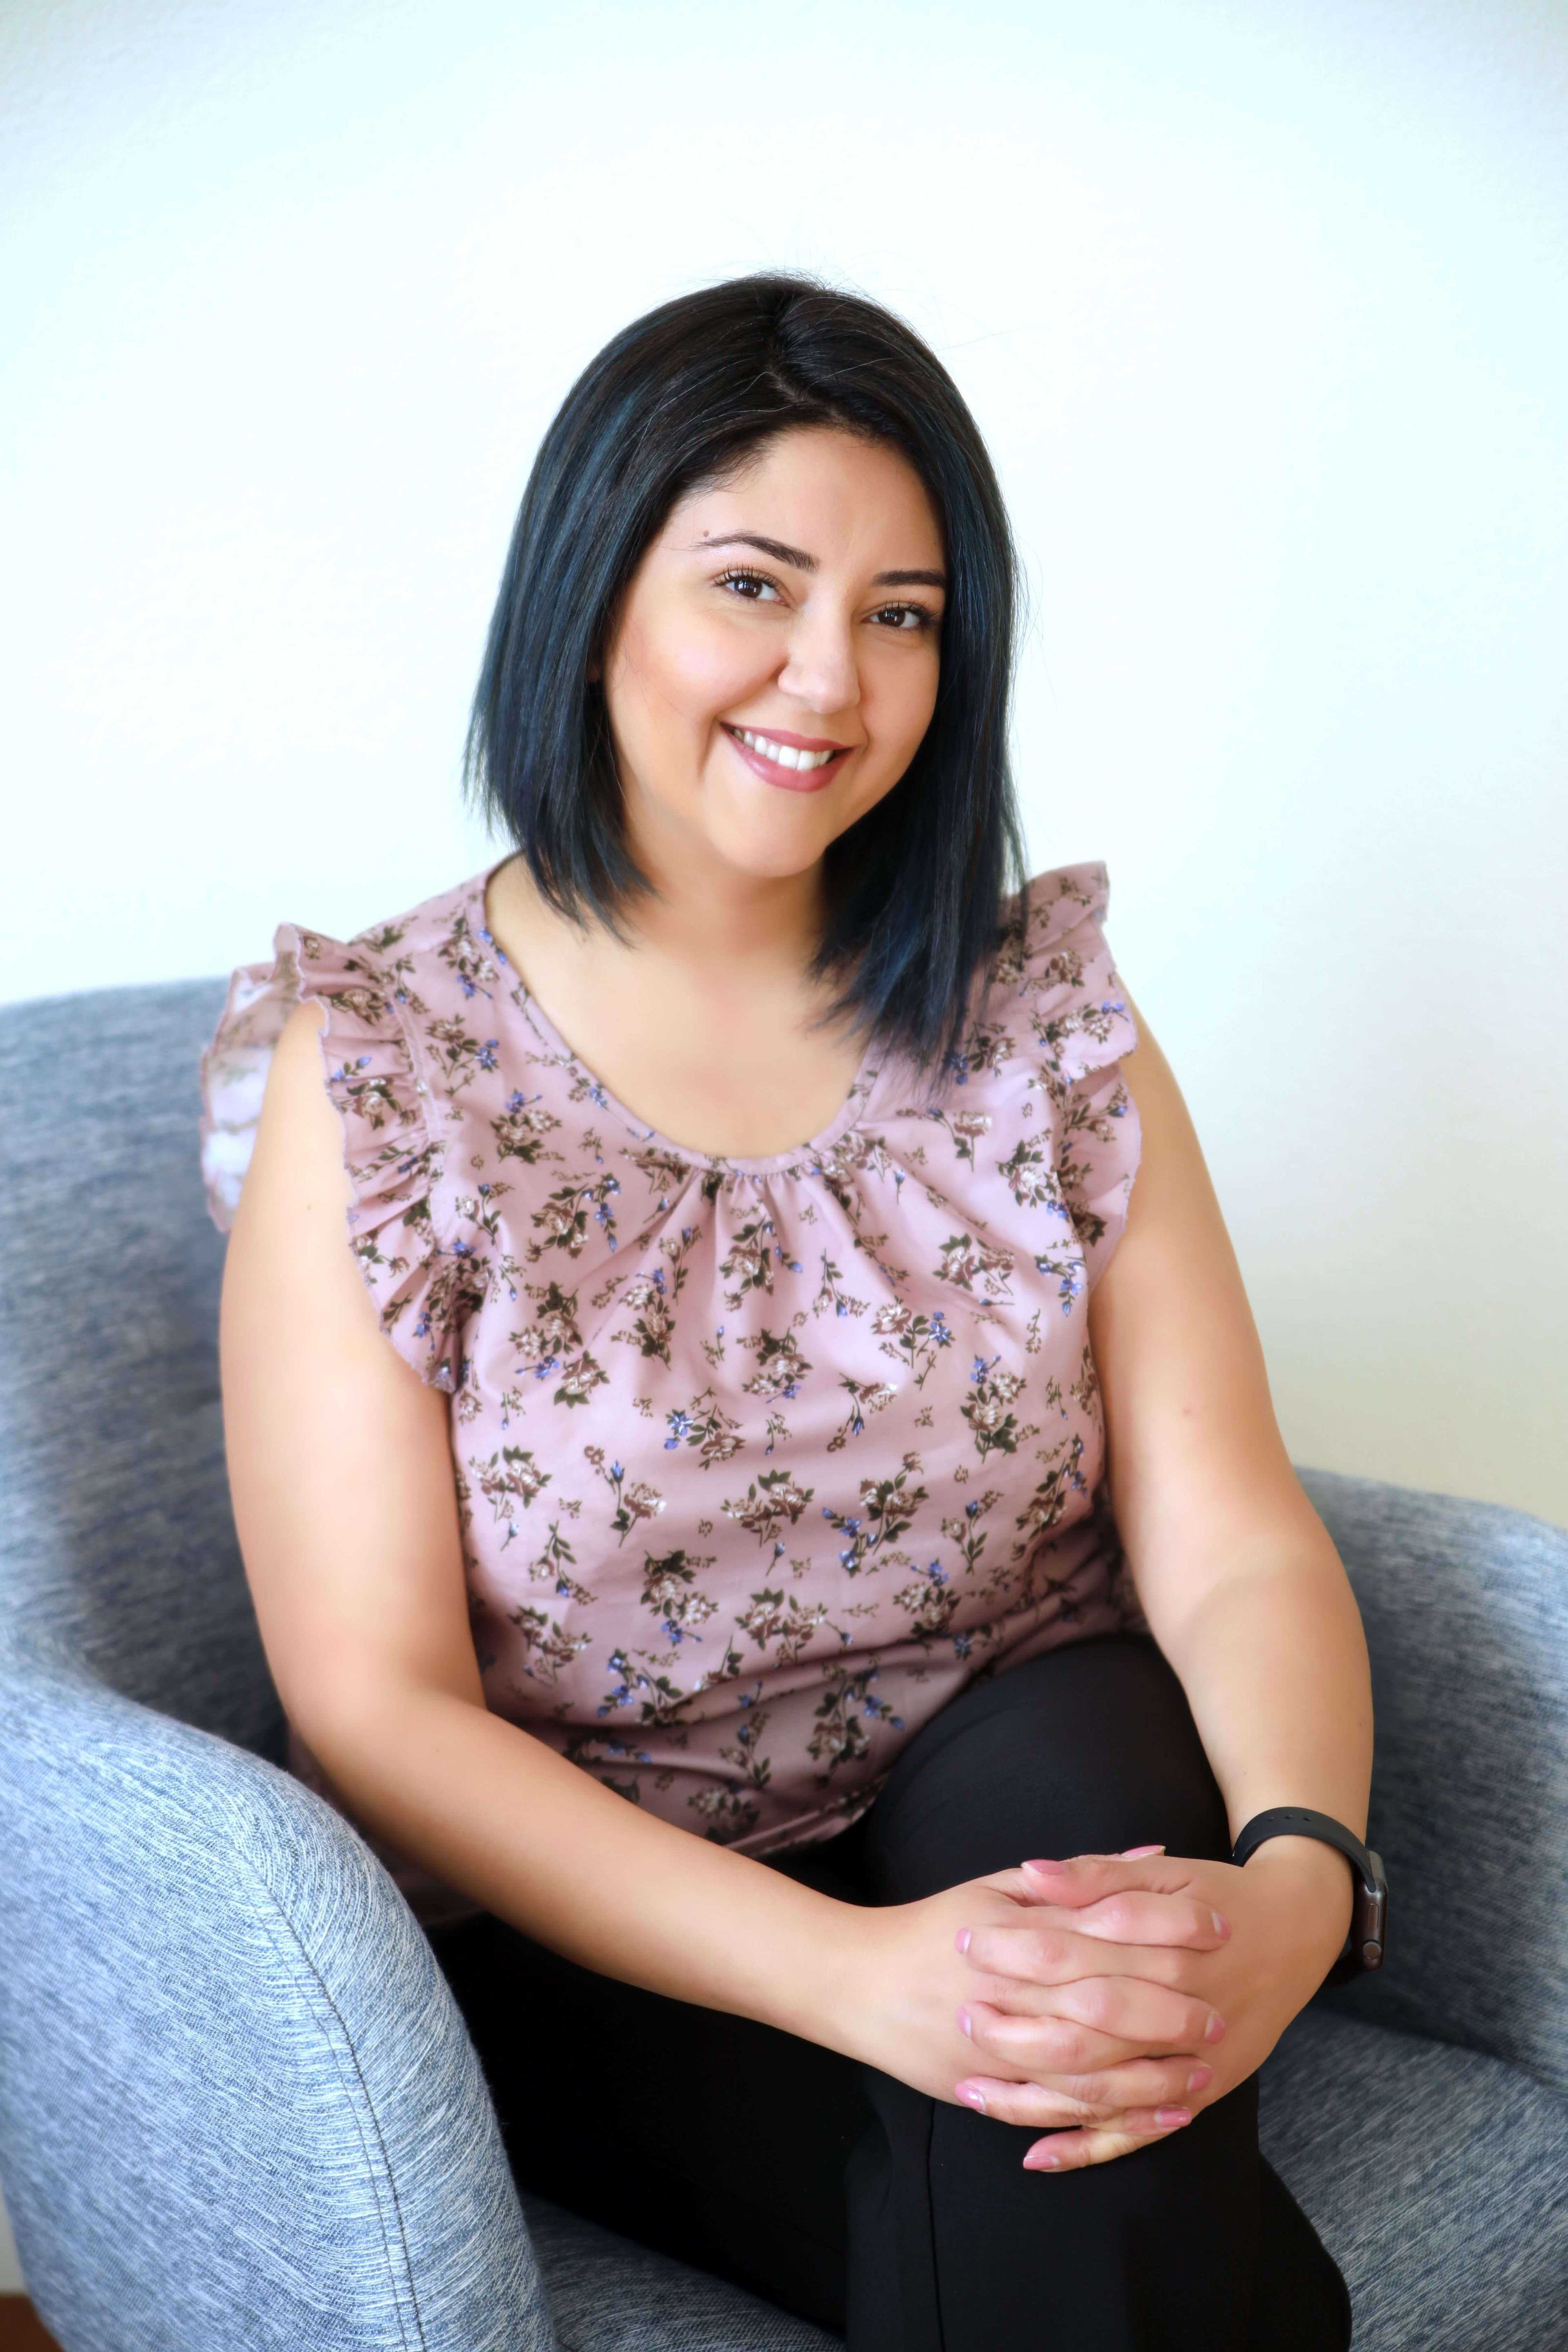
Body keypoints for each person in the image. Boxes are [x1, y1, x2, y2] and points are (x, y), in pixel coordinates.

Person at [202, 273, 1370, 2350]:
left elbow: (1230, 1521)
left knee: (1073, 1847)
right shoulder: (378, 1070)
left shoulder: (1040, 1013)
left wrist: (1299, 1886)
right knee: (1092, 2190)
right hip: (606, 1913)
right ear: (596, 592)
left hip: (1033, 1770)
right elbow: (373, 1705)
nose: (830, 679)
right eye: (756, 583)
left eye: (906, 613)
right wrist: (859, 1980)